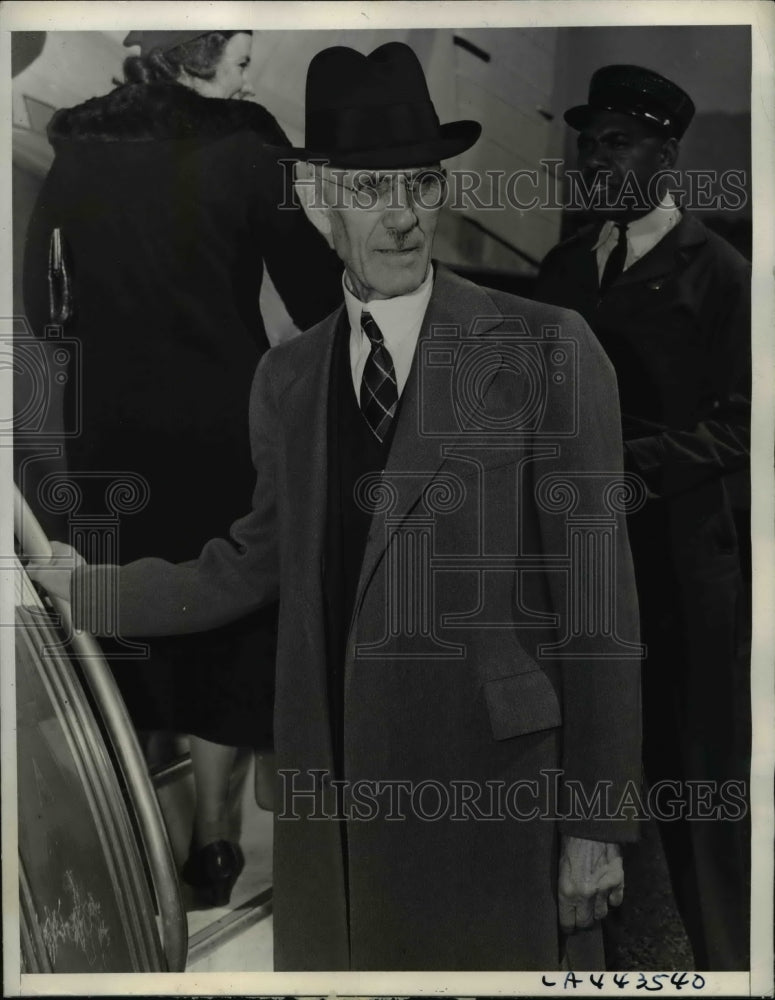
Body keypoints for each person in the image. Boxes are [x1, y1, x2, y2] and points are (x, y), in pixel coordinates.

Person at [31, 42, 642, 971]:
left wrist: (595, 825)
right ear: (318, 203)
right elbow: (250, 563)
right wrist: (91, 594)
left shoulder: (547, 347)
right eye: (368, 189)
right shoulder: (285, 378)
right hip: (338, 821)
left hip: (491, 804)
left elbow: (600, 609)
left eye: (418, 185)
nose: (400, 217)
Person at [22, 28, 342, 907]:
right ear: (190, 54)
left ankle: (127, 844)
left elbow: (40, 299)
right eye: (240, 53)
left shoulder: (81, 148)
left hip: (110, 433)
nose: (254, 68)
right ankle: (212, 841)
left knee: (119, 617)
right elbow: (317, 298)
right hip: (221, 425)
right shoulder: (250, 149)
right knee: (221, 623)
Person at [534, 65, 751, 970]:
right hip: (576, 571)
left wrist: (629, 469)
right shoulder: (562, 267)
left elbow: (746, 421)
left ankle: (730, 964)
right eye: (589, 142)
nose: (596, 158)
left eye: (617, 141)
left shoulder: (721, 273)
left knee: (697, 787)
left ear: (667, 154)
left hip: (675, 569)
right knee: (584, 776)